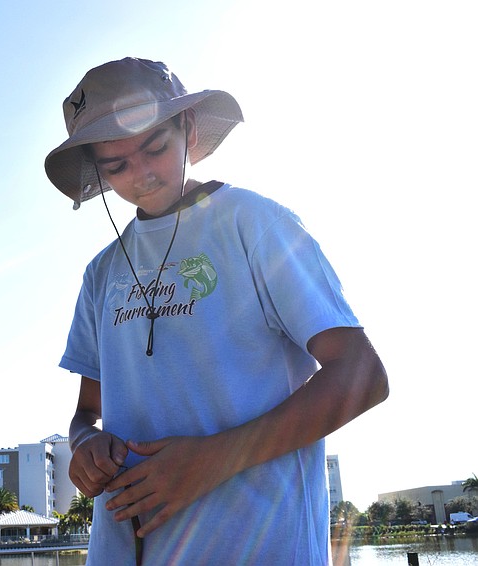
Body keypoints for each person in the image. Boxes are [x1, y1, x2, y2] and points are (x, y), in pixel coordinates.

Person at [44, 57, 389, 564]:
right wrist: (83, 446)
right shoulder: (102, 273)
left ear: (186, 128)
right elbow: (87, 414)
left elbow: (363, 375)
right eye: (116, 166)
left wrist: (216, 460)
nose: (141, 175)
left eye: (155, 147)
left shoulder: (255, 224)